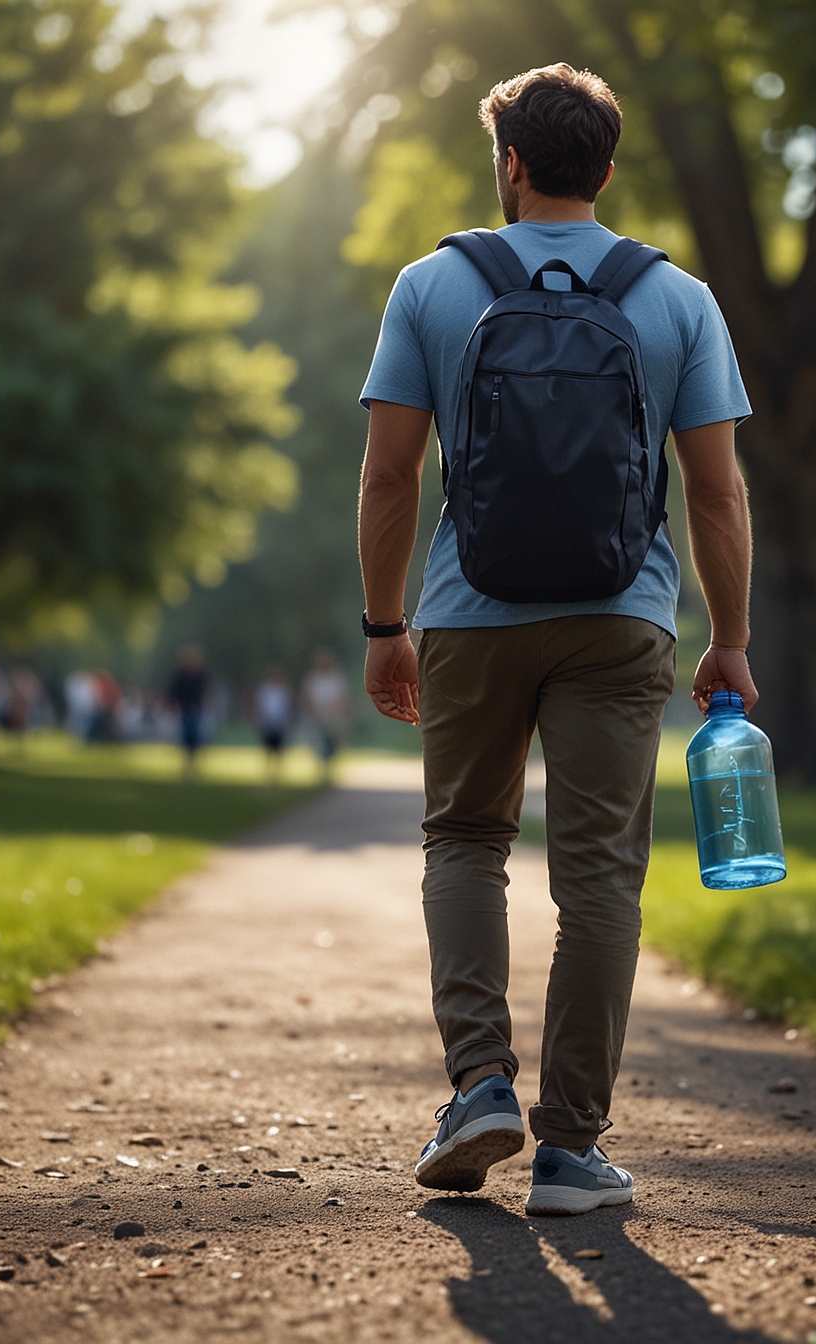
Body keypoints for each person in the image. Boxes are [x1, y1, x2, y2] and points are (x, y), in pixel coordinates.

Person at [355, 64, 755, 1216]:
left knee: (466, 841)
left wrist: (387, 626)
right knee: (599, 882)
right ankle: (573, 1150)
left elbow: (390, 477)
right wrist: (728, 639)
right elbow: (717, 497)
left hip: (469, 615)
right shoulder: (677, 299)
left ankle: (479, 1081)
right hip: (620, 618)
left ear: (512, 164)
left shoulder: (432, 286)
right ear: (607, 170)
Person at [303, 649, 352, 780]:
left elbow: (343, 698)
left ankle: (329, 767)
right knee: (320, 743)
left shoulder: (336, 678)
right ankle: (322, 768)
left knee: (332, 743)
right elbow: (308, 698)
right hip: (318, 717)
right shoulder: (313, 678)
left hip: (333, 717)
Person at [167, 646, 208, 778]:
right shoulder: (181, 676)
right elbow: (174, 693)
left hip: (196, 710)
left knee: (195, 739)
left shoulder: (199, 676)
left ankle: (193, 767)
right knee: (187, 739)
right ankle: (188, 767)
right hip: (185, 710)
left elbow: (204, 693)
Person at [254, 667, 294, 780]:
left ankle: (277, 772)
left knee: (279, 748)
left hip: (280, 723)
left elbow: (288, 707)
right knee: (268, 748)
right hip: (267, 722)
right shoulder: (264, 690)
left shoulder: (284, 690)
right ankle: (268, 771)